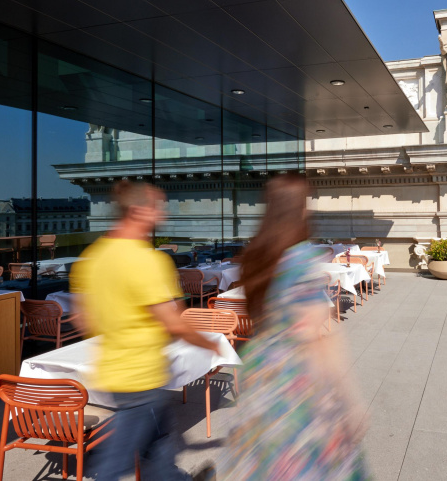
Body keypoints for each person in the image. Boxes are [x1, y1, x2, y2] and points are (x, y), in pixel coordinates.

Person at [217, 174, 370, 480]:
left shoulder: (257, 256)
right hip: (293, 377)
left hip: (261, 369)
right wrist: (351, 398)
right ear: (300, 210)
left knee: (267, 460)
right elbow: (318, 335)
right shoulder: (301, 258)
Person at [71, 181, 219, 481]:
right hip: (142, 376)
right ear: (138, 210)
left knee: (160, 446)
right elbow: (174, 323)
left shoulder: (93, 257)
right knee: (115, 464)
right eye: (157, 206)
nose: (162, 213)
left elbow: (82, 319)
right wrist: (213, 345)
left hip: (114, 372)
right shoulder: (146, 260)